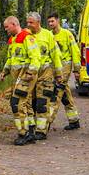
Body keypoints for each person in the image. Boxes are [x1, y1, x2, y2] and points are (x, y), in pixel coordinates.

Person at [0, 15, 43, 145]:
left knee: (16, 103)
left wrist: (30, 72)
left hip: (26, 75)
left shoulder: (27, 37)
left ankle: (23, 133)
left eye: (7, 27)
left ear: (14, 24)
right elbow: (11, 59)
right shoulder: (13, 40)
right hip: (18, 76)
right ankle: (31, 131)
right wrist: (4, 71)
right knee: (26, 103)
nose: (6, 29)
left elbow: (36, 57)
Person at [46, 13, 81, 130]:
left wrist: (76, 70)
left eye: (52, 21)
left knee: (56, 92)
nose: (51, 24)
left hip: (65, 66)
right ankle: (74, 120)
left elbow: (75, 51)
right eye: (49, 22)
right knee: (65, 95)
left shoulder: (67, 34)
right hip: (54, 67)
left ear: (58, 21)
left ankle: (46, 123)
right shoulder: (49, 35)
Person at [27, 12, 58, 140]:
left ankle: (41, 130)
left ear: (38, 22)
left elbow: (55, 55)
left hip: (45, 73)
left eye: (31, 22)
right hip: (30, 75)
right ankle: (30, 128)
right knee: (31, 103)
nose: (28, 25)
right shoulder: (26, 35)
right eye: (27, 22)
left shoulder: (47, 35)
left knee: (42, 103)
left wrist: (59, 74)